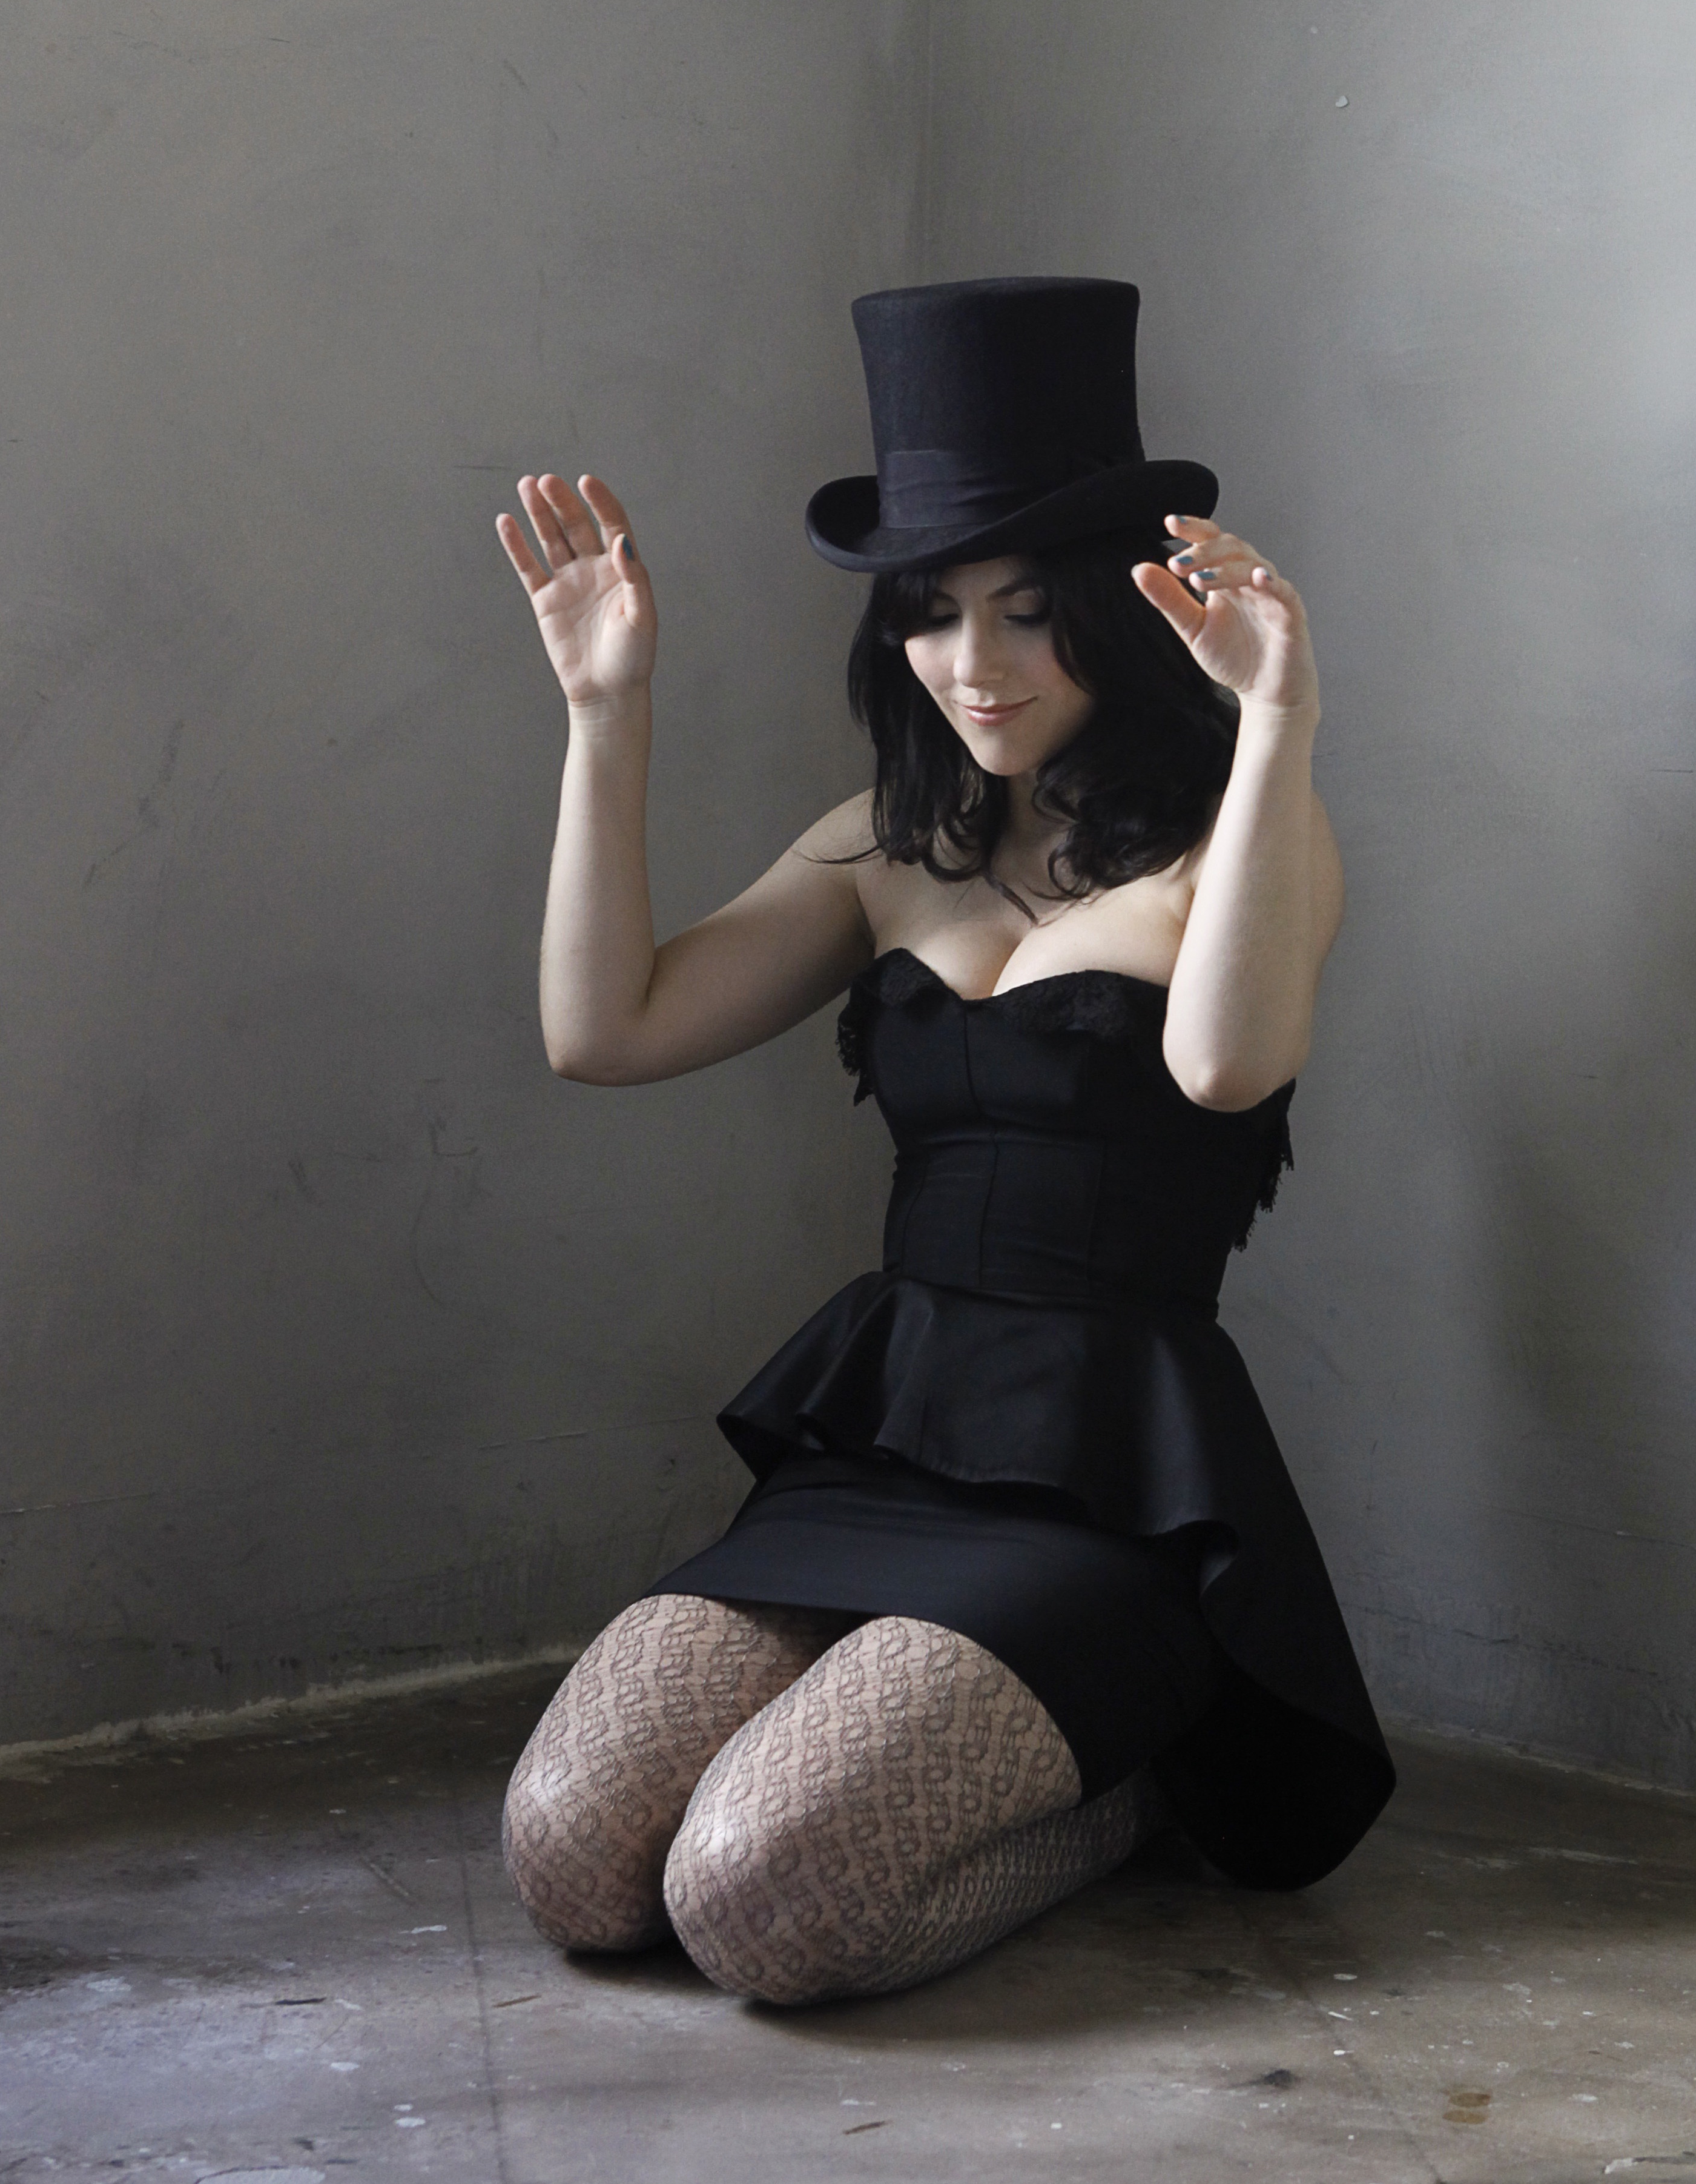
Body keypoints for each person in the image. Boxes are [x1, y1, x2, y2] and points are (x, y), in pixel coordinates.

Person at [495, 278, 1393, 2007]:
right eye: (932, 614)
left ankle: (1147, 1774)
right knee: (575, 1859)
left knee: (763, 1903)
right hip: (884, 1444)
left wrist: (1281, 721)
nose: (974, 666)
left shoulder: (1240, 841)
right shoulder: (891, 845)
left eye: (1030, 613)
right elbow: (604, 1031)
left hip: (1112, 1488)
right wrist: (606, 714)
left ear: (1124, 612)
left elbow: (1225, 1071)